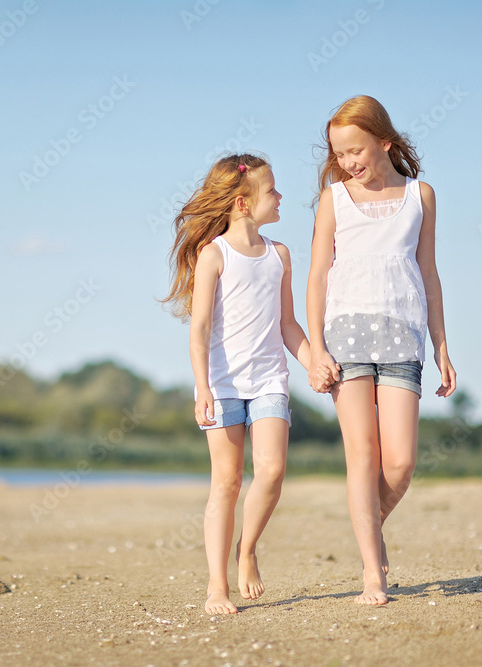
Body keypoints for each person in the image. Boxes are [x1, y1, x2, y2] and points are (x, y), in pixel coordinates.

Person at [163, 153, 334, 615]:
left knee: (273, 471)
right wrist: (201, 387)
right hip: (222, 383)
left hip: (269, 381)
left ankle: (247, 548)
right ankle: (216, 587)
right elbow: (198, 329)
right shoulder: (213, 254)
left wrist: (314, 360)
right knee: (227, 481)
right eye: (273, 190)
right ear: (243, 202)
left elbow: (288, 325)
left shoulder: (280, 255)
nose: (280, 197)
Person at [306, 95, 457, 606]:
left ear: (384, 142)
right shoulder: (334, 199)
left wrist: (441, 345)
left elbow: (430, 275)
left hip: (404, 336)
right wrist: (317, 350)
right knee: (361, 455)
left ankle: (369, 527)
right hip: (345, 336)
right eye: (339, 154)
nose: (348, 162)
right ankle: (374, 572)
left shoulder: (422, 196)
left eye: (355, 150)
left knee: (399, 464)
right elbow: (317, 276)